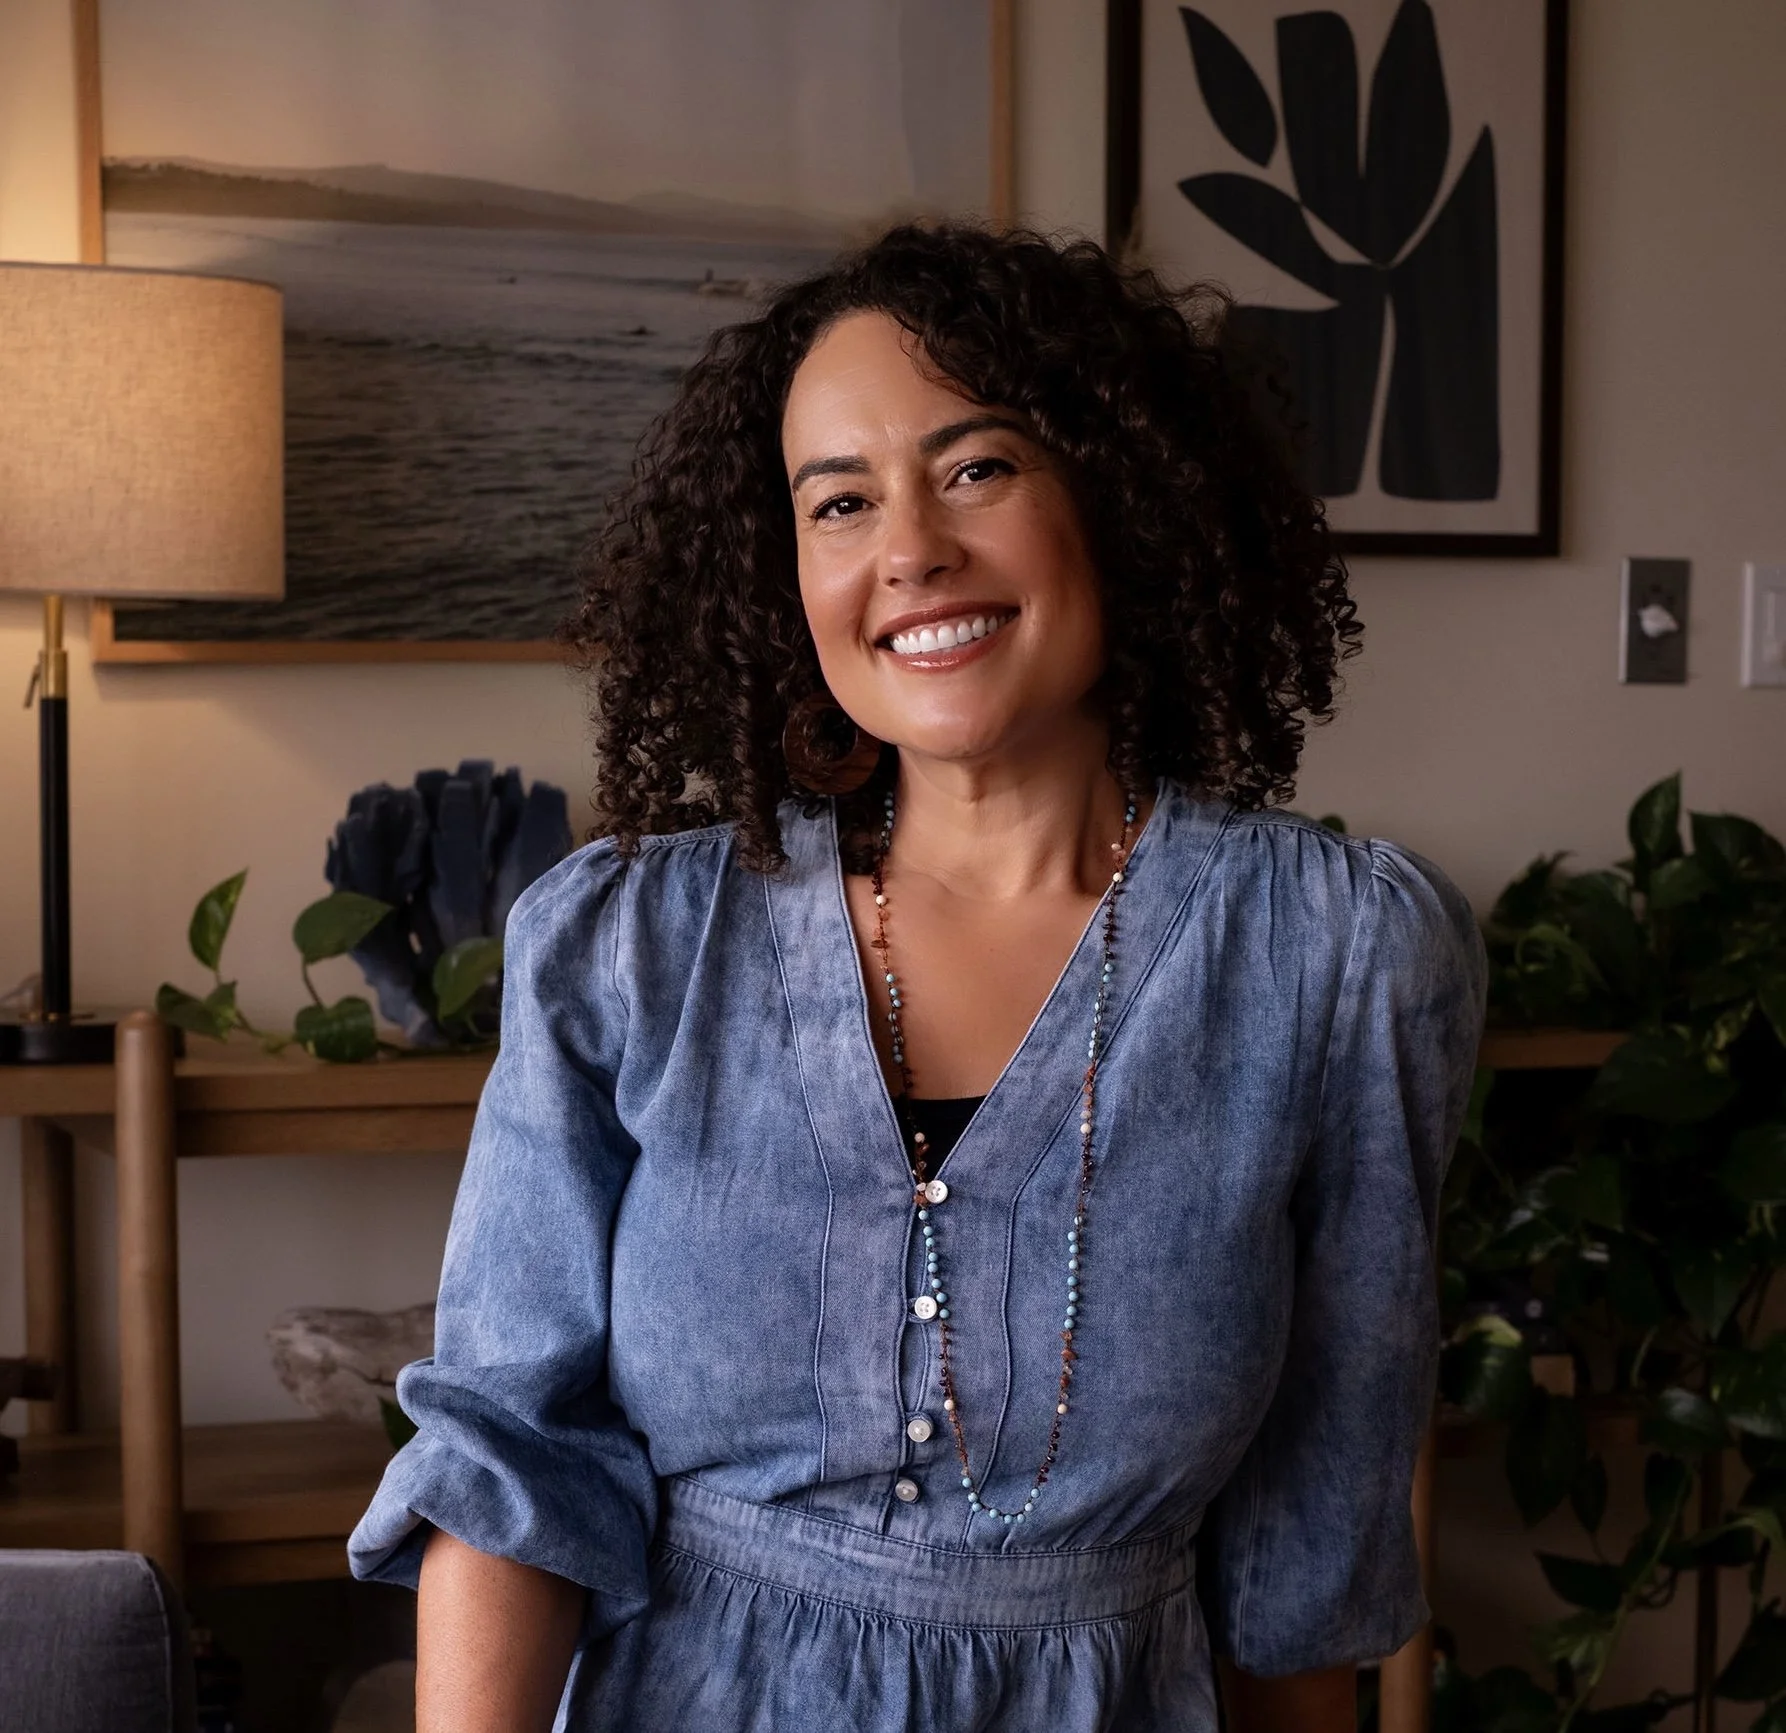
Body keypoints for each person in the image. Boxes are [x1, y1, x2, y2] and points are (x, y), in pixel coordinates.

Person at [349, 223, 1488, 1733]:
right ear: (783, 571)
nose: (909, 552)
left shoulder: (1337, 955)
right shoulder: (629, 945)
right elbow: (511, 1461)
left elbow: (1309, 1545)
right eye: (839, 501)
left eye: (976, 469)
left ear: (1123, 496)